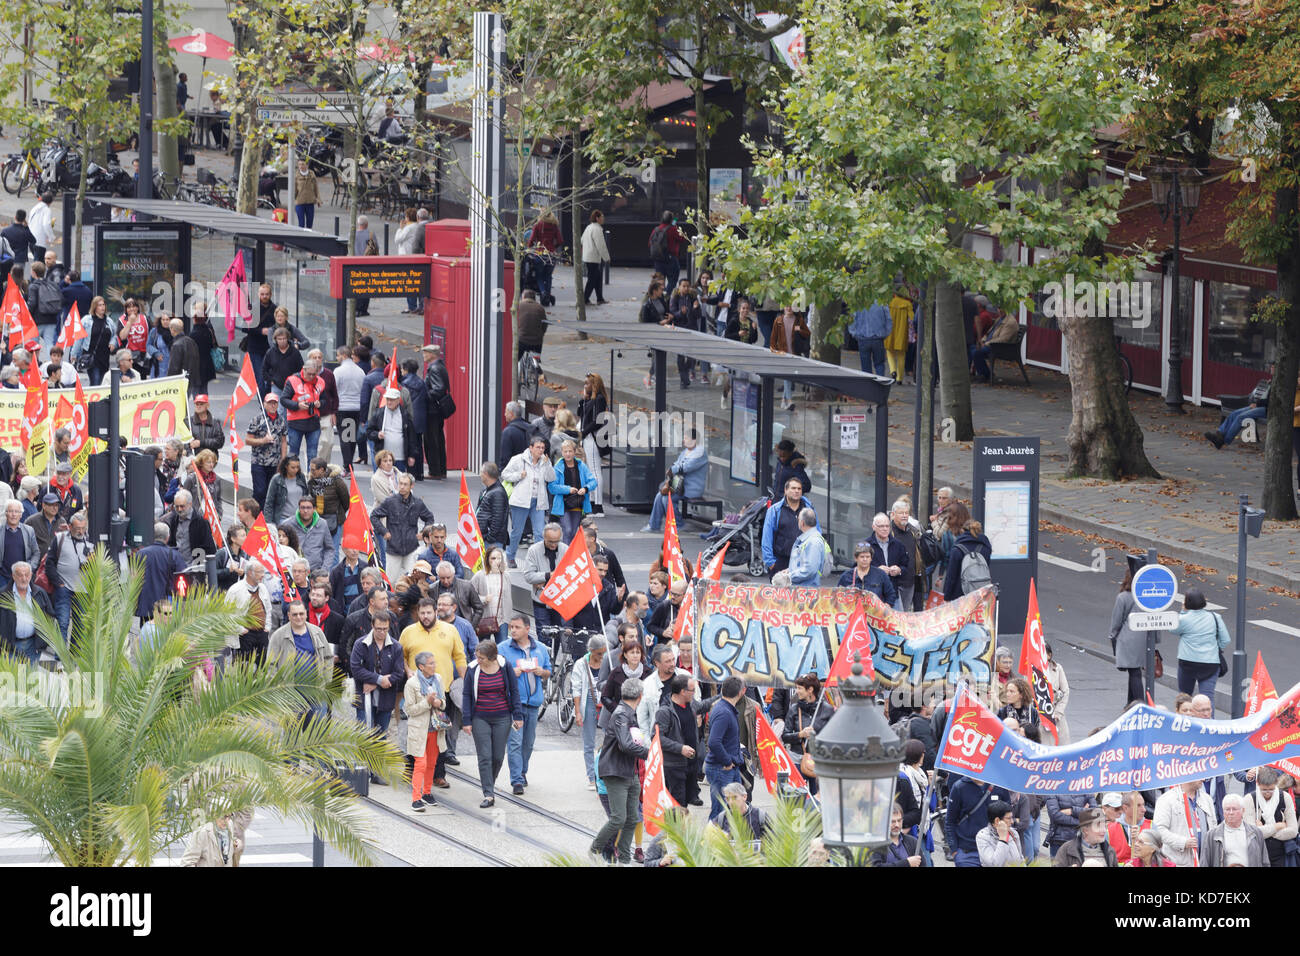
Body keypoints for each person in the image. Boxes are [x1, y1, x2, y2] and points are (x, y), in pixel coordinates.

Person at [589, 676, 649, 864]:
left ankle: (623, 857)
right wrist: (650, 753)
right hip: (615, 772)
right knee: (618, 818)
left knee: (632, 817)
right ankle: (595, 849)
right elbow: (625, 745)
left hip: (628, 772)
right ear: (640, 695)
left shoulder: (628, 712)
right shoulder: (622, 714)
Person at [462, 638, 523, 808]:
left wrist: (518, 715)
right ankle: (488, 793)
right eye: (477, 656)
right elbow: (466, 695)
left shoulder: (505, 666)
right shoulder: (473, 669)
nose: (477, 660)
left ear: (492, 657)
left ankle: (489, 781)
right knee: (485, 756)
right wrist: (466, 720)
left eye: (481, 657)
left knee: (497, 756)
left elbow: (514, 691)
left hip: (502, 716)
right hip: (480, 717)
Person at [499, 615, 551, 795]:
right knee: (514, 742)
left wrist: (542, 672)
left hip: (533, 703)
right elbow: (494, 673)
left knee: (528, 743)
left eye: (517, 627)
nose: (512, 630)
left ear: (527, 629)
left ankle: (522, 770)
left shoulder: (540, 649)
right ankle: (517, 780)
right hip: (514, 704)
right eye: (511, 627)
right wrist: (510, 673)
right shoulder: (503, 649)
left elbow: (548, 672)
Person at [349, 609, 405, 758]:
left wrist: (376, 683)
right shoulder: (361, 644)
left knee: (381, 737)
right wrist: (379, 679)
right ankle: (363, 769)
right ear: (372, 626)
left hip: (385, 698)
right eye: (378, 629)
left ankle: (377, 771)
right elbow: (355, 669)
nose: (381, 632)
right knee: (364, 735)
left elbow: (399, 673)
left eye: (385, 629)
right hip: (364, 696)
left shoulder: (396, 646)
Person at [404, 650, 447, 811]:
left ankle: (427, 793)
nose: (434, 666)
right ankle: (416, 798)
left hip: (435, 728)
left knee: (432, 763)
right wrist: (427, 702)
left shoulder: (438, 679)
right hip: (419, 729)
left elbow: (443, 702)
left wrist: (438, 702)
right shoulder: (412, 684)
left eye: (434, 662)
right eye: (431, 663)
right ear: (421, 667)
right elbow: (409, 710)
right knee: (420, 764)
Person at [370, 471, 434, 580]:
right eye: (400, 484)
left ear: (411, 486)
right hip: (393, 549)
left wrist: (423, 533)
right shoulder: (390, 502)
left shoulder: (417, 503)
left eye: (405, 484)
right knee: (390, 581)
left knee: (413, 580)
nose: (402, 487)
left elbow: (429, 518)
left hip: (411, 548)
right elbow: (374, 515)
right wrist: (383, 531)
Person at [642, 428, 708, 534]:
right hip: (679, 485)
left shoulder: (700, 453)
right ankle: (654, 525)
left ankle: (679, 524)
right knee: (660, 496)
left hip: (691, 488)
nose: (684, 440)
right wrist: (674, 468)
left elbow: (686, 467)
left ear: (694, 440)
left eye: (686, 438)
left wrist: (672, 469)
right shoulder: (685, 452)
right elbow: (676, 464)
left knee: (667, 499)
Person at [502, 436, 555, 565]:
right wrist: (519, 476)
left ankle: (537, 560)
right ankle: (510, 555)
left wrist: (548, 464)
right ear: (530, 448)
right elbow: (505, 474)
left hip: (538, 501)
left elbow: (551, 478)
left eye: (543, 448)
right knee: (517, 531)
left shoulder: (545, 461)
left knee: (539, 532)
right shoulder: (519, 459)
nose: (541, 450)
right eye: (538, 447)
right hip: (520, 501)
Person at [1171, 588, 1231, 696]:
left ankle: (1184, 712)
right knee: (1207, 697)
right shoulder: (1215, 617)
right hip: (1210, 663)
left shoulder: (1183, 619)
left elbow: (1173, 630)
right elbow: (1225, 640)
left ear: (1187, 603)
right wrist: (1215, 647)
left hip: (1187, 662)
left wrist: (1183, 612)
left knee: (1185, 697)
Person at [703, 676, 746, 820]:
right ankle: (712, 840)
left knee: (736, 808)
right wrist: (727, 761)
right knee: (720, 811)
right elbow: (714, 742)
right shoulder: (723, 712)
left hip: (728, 768)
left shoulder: (725, 709)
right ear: (742, 692)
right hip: (721, 768)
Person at [943, 774, 1010, 867]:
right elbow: (950, 821)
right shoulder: (959, 787)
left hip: (994, 849)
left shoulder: (999, 786)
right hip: (967, 852)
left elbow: (1008, 817)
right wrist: (954, 851)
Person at [46, 511, 91, 641]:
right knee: (62, 622)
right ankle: (59, 656)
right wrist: (58, 583)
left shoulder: (91, 541)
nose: (81, 532)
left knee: (80, 624)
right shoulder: (60, 538)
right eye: (77, 528)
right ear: (70, 526)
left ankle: (73, 656)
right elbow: (50, 563)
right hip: (64, 588)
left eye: (83, 528)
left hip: (83, 589)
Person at [761, 478, 818, 577]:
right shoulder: (775, 510)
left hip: (804, 562)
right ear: (786, 490)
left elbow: (817, 533)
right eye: (793, 488)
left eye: (799, 489)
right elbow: (766, 538)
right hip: (781, 562)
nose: (796, 491)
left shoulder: (809, 509)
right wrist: (772, 564)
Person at [1242, 767, 1298, 868]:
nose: (1267, 793)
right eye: (1264, 790)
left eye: (1271, 789)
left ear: (1276, 783)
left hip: (1281, 853)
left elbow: (1293, 831)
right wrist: (1277, 826)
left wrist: (1262, 830)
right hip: (1257, 853)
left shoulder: (1285, 797)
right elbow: (1250, 834)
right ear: (1258, 784)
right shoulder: (1249, 799)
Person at [1153, 780, 1217, 867]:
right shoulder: (1166, 799)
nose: (1203, 780)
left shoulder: (1207, 799)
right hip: (1178, 863)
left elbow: (1214, 827)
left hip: (1204, 862)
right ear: (1188, 773)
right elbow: (1159, 830)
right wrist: (1182, 842)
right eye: (1199, 776)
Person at [0, 561, 54, 663]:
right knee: (12, 678)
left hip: (32, 647)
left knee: (30, 678)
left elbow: (50, 617)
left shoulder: (40, 593)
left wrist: (43, 642)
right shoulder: (3, 595)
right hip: (10, 648)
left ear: (31, 575)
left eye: (26, 575)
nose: (24, 579)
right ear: (13, 576)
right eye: (20, 575)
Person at [547, 438, 597, 542]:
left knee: (574, 532)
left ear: (574, 452)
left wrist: (585, 488)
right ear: (562, 452)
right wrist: (568, 490)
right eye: (565, 451)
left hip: (578, 503)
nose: (568, 454)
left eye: (570, 451)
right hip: (563, 504)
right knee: (568, 530)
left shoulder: (581, 466)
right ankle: (566, 556)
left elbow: (593, 481)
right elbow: (552, 487)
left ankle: (571, 555)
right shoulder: (558, 467)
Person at [1202, 794, 1270, 867]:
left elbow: (1265, 861)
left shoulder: (1255, 832)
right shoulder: (1212, 835)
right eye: (1227, 809)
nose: (1231, 813)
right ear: (1223, 811)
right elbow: (1204, 863)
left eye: (1234, 809)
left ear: (1243, 810)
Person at [245, 394, 288, 510]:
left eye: (275, 403)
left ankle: (267, 517)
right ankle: (256, 515)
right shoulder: (257, 419)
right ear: (264, 404)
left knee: (272, 492)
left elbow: (284, 441)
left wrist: (283, 460)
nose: (273, 405)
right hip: (259, 462)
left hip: (275, 463)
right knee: (259, 491)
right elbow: (248, 440)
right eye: (270, 403)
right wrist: (263, 440)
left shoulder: (281, 421)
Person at [281, 360, 326, 465]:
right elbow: (283, 400)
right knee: (293, 454)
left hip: (313, 423)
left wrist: (320, 403)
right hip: (296, 423)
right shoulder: (292, 380)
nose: (311, 376)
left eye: (314, 374)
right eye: (309, 374)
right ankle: (293, 477)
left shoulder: (320, 381)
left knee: (312, 454)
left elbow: (325, 400)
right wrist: (297, 405)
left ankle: (311, 479)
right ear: (303, 369)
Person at [578, 373, 609, 513]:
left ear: (594, 385)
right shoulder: (589, 399)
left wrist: (583, 433)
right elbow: (581, 414)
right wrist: (582, 400)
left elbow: (598, 421)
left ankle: (598, 505)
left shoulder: (599, 399)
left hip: (593, 438)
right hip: (587, 437)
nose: (585, 386)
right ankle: (591, 501)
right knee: (590, 470)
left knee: (595, 470)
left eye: (587, 383)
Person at [942, 519, 993, 602]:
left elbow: (951, 576)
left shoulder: (957, 549)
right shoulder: (985, 547)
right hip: (980, 594)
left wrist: (946, 597)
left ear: (962, 530)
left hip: (960, 597)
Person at [837, 540, 899, 608]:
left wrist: (886, 607)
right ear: (856, 558)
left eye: (867, 557)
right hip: (853, 614)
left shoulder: (881, 574)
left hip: (875, 614)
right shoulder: (846, 576)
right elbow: (837, 596)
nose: (865, 559)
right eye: (862, 557)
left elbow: (891, 594)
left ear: (871, 558)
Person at [367, 387, 416, 473]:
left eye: (392, 400)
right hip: (383, 457)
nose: (389, 402)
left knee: (398, 482)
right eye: (388, 399)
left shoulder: (405, 415)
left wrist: (411, 455)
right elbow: (369, 431)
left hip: (400, 457)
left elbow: (411, 436)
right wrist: (377, 435)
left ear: (398, 400)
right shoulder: (379, 413)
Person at [1053, 806, 1117, 867]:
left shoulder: (1110, 850)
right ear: (1085, 830)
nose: (1103, 830)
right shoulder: (1067, 849)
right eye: (1098, 826)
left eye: (1104, 826)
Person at [334, 346, 365, 467]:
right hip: (356, 408)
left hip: (343, 408)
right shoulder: (360, 371)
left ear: (343, 355)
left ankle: (347, 466)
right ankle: (349, 464)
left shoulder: (338, 371)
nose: (337, 358)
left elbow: (334, 390)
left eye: (337, 355)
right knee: (351, 438)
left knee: (345, 439)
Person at [421, 344, 449, 480]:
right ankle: (440, 469)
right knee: (437, 438)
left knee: (431, 440)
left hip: (432, 410)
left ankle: (435, 470)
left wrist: (425, 395)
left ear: (433, 354)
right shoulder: (438, 366)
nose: (424, 355)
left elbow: (439, 388)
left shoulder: (434, 368)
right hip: (436, 410)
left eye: (425, 353)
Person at [0, 499, 39, 588]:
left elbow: (36, 552)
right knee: (4, 601)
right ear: (6, 513)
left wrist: (30, 568)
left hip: (23, 577)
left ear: (21, 514)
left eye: (17, 511)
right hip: (3, 577)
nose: (13, 514)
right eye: (10, 511)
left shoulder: (29, 531)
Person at [787, 508, 830, 586]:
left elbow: (809, 570)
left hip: (806, 592)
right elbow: (801, 563)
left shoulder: (814, 542)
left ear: (802, 523)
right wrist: (789, 571)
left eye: (798, 519)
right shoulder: (809, 539)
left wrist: (788, 577)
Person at [977, 800, 1025, 867]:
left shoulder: (1013, 833)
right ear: (997, 820)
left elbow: (1020, 858)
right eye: (1008, 818)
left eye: (1012, 818)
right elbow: (994, 864)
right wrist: (1003, 839)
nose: (1012, 822)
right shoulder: (983, 836)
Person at [849, 301, 891, 376]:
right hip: (878, 338)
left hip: (863, 338)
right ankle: (879, 385)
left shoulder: (858, 303)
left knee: (865, 367)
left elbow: (852, 320)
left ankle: (868, 386)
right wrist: (886, 333)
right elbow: (888, 319)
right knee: (879, 364)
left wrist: (854, 334)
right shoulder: (881, 302)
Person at [874, 803, 923, 868]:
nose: (897, 825)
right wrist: (907, 863)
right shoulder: (876, 844)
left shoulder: (912, 842)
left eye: (899, 821)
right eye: (893, 821)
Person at [475, 463, 509, 551]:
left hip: (492, 541)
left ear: (486, 474)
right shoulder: (487, 490)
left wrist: (490, 537)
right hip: (485, 538)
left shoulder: (497, 493)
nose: (480, 475)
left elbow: (498, 519)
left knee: (492, 564)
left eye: (481, 472)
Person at [580, 209, 609, 306]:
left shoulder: (589, 227)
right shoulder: (597, 229)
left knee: (597, 277)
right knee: (592, 279)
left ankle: (599, 298)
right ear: (597, 218)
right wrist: (606, 257)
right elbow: (601, 245)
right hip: (593, 258)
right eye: (602, 217)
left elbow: (582, 240)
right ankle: (585, 299)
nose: (603, 219)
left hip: (587, 256)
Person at [262, 327, 303, 394]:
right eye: (279, 339)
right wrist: (271, 381)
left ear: (287, 338)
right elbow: (264, 369)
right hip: (276, 387)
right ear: (276, 339)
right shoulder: (271, 352)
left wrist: (296, 381)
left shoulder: (295, 352)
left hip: (292, 386)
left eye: (284, 338)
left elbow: (301, 369)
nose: (282, 341)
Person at [25, 492, 63, 557]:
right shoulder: (31, 521)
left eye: (56, 505)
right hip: (36, 562)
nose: (55, 508)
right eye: (51, 505)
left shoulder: (62, 522)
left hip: (55, 562)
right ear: (44, 506)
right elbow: (25, 542)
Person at [165, 317, 201, 383]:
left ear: (172, 329)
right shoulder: (191, 341)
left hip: (181, 380)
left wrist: (169, 381)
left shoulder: (176, 345)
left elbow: (174, 368)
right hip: (193, 378)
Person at [294, 159, 321, 230]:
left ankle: (309, 239)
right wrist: (292, 200)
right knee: (301, 224)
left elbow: (316, 188)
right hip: (299, 202)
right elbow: (294, 190)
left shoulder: (312, 174)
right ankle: (301, 239)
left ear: (307, 165)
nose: (301, 166)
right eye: (299, 164)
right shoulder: (296, 175)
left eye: (303, 164)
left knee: (309, 224)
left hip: (310, 202)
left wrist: (318, 199)